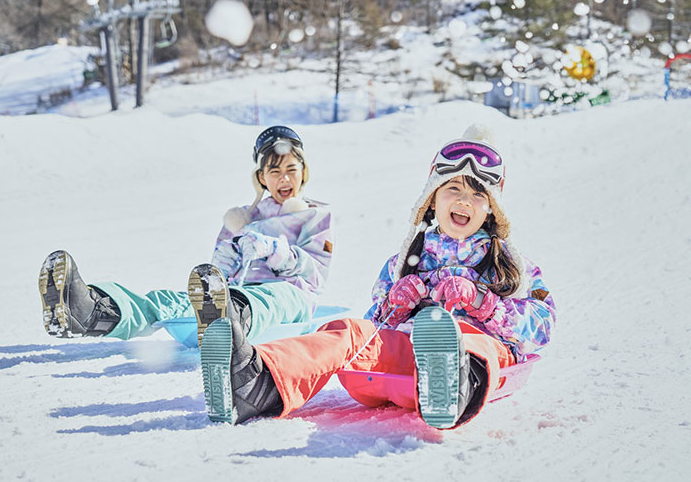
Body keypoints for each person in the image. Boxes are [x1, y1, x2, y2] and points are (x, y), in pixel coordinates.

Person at [198, 125, 556, 430]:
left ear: (491, 207)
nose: (464, 200)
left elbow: (542, 325)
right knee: (349, 332)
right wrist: (396, 303)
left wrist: (481, 302)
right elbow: (376, 325)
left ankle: (452, 383)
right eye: (454, 189)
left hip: (480, 352)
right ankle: (258, 383)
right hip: (408, 351)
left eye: (478, 194)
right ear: (432, 200)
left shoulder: (512, 266)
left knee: (468, 340)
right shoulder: (405, 261)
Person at [38, 125, 334, 344]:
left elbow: (315, 273)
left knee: (274, 295)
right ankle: (92, 311)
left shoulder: (314, 215)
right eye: (275, 172)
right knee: (170, 300)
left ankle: (228, 320)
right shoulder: (242, 220)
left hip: (291, 299)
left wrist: (273, 250)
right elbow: (216, 278)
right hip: (237, 294)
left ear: (303, 172)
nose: (284, 179)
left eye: (291, 170)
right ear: (261, 178)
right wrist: (226, 258)